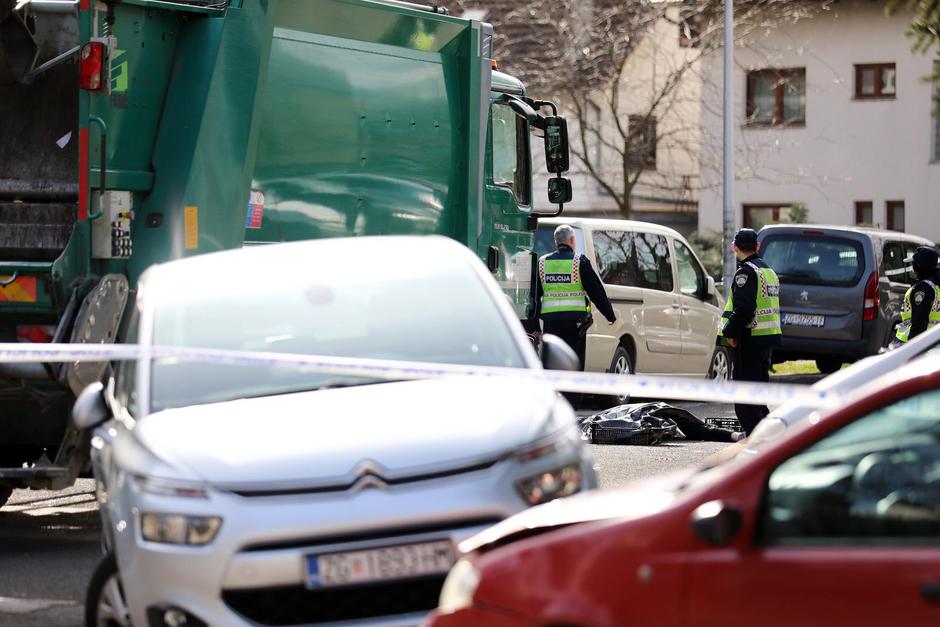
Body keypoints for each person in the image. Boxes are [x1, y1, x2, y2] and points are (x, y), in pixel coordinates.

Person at [716, 228, 782, 435]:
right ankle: (766, 434)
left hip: (750, 340)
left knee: (745, 397)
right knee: (758, 392)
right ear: (758, 247)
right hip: (767, 338)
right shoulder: (769, 271)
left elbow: (745, 308)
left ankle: (755, 437)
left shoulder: (745, 272)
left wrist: (729, 332)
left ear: (734, 247)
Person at [533, 224, 616, 371]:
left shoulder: (542, 263)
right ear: (572, 240)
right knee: (574, 363)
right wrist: (610, 315)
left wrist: (534, 325)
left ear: (556, 242)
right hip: (575, 325)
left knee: (552, 364)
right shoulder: (579, 261)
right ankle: (572, 387)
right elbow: (596, 292)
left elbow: (533, 296)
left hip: (551, 324)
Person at [895, 246, 940, 343]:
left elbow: (919, 323)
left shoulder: (924, 288)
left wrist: (912, 348)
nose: (912, 267)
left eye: (913, 264)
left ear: (919, 265)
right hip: (932, 341)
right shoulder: (936, 284)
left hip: (912, 342)